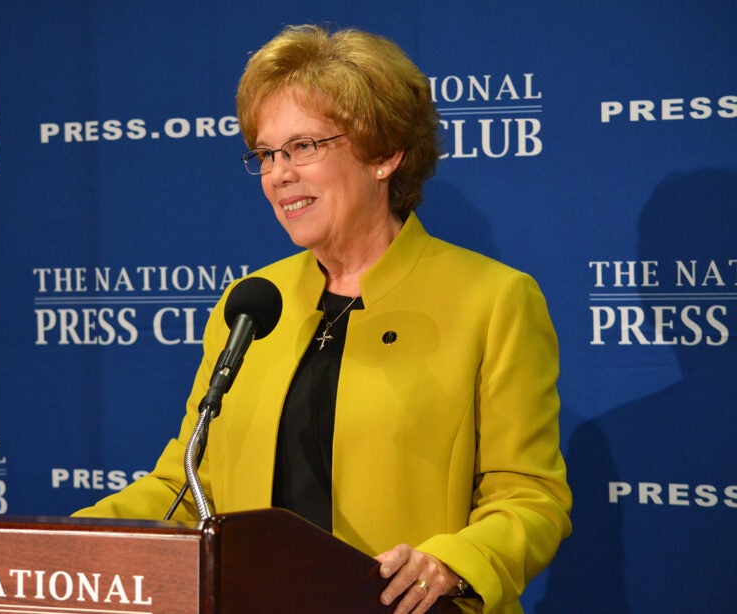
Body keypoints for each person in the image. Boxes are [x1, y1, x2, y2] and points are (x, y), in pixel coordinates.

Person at [74, 24, 572, 613]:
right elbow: (187, 486)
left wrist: (452, 563)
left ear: (385, 153)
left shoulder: (494, 300)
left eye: (304, 146)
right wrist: (62, 542)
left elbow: (530, 497)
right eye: (266, 153)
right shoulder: (251, 302)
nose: (279, 173)